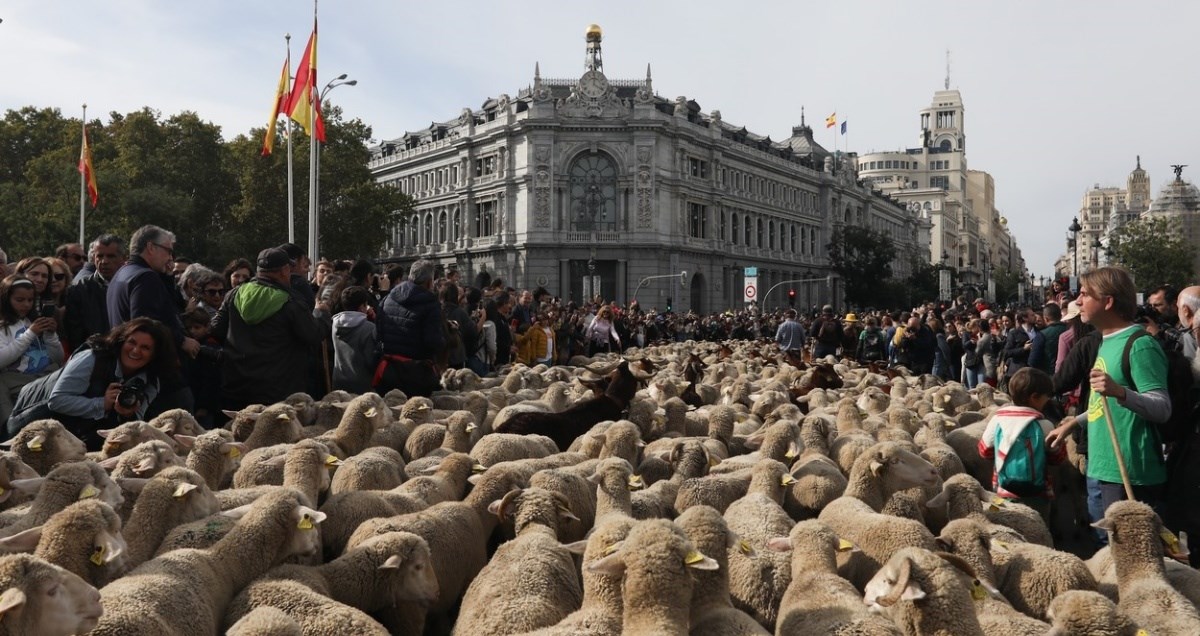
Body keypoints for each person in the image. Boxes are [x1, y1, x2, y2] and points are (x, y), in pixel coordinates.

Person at [1046, 267, 1171, 521]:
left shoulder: (1140, 344)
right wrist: (1072, 423)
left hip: (1130, 471)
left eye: (1084, 294)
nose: (1077, 301)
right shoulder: (1105, 341)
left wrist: (1120, 392)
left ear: (1108, 301)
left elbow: (1162, 408)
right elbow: (1103, 404)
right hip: (1103, 465)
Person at [6, 317, 173, 450]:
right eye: (132, 343)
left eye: (145, 348)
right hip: (32, 420)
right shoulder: (92, 359)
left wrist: (126, 414)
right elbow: (56, 401)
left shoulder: (152, 380)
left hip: (77, 435)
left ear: (155, 354)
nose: (136, 351)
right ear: (122, 341)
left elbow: (137, 419)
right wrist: (102, 404)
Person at [209, 247, 322, 410]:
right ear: (284, 271)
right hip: (277, 394)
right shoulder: (291, 302)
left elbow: (216, 329)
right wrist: (322, 314)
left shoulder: (234, 294)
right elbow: (313, 334)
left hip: (236, 389)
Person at [107, 225, 200, 416]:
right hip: (157, 376)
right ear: (151, 247)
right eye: (168, 251)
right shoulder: (144, 277)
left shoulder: (122, 274)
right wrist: (182, 340)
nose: (170, 258)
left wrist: (166, 278)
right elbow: (146, 324)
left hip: (133, 368)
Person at [978, 367, 1066, 524]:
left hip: (1004, 490)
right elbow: (1057, 458)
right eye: (1047, 397)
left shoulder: (998, 419)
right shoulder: (1044, 424)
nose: (1048, 401)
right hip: (1038, 493)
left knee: (1010, 526)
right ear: (1034, 397)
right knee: (1038, 528)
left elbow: (984, 451)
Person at [0, 276, 64, 426]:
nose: (26, 305)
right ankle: (8, 429)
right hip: (17, 380)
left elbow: (58, 357)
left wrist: (50, 335)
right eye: (20, 300)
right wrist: (30, 334)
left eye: (30, 300)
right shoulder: (3, 326)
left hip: (45, 377)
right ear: (6, 299)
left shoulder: (33, 320)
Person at [64, 234, 125, 351]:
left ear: (123, 258)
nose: (104, 261)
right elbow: (74, 333)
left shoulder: (131, 286)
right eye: (100, 256)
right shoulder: (79, 289)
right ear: (93, 258)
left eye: (111, 256)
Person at [331, 286, 379, 394]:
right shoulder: (368, 328)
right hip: (362, 384)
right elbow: (371, 360)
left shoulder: (335, 324)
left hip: (339, 381)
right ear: (363, 305)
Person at [1040, 302, 1068, 374]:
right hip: (1069, 372)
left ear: (1046, 318)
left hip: (1048, 374)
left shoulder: (1042, 334)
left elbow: (1033, 360)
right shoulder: (1070, 331)